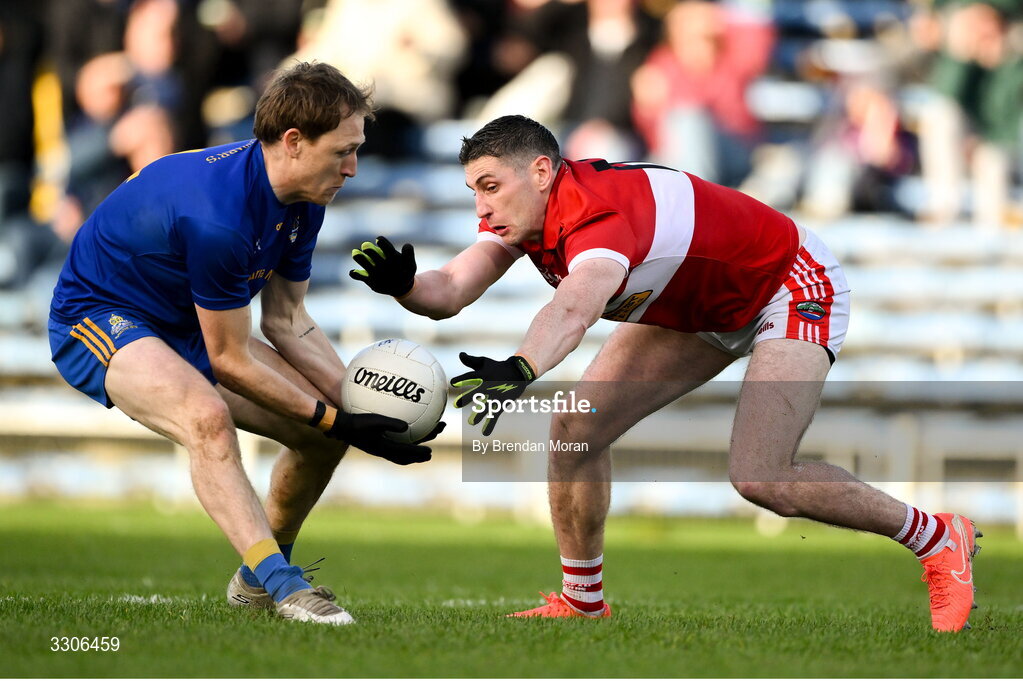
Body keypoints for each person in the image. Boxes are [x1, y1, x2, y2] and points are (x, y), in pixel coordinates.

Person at [349, 114, 980, 632]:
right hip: (699, 304)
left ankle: (936, 537)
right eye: (473, 192)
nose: (481, 207)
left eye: (489, 186)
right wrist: (405, 285)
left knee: (761, 477)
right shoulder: (527, 213)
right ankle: (581, 601)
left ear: (540, 172)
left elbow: (574, 305)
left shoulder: (597, 219)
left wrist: (521, 366)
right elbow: (452, 288)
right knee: (575, 428)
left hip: (787, 283)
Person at [49, 62, 441, 626]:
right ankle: (284, 588)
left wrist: (361, 410)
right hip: (100, 318)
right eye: (342, 152)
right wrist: (338, 420)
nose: (353, 168)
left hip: (187, 323)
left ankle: (259, 580)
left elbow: (287, 320)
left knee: (322, 432)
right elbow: (228, 360)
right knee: (206, 416)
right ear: (293, 142)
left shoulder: (305, 199)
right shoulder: (220, 218)